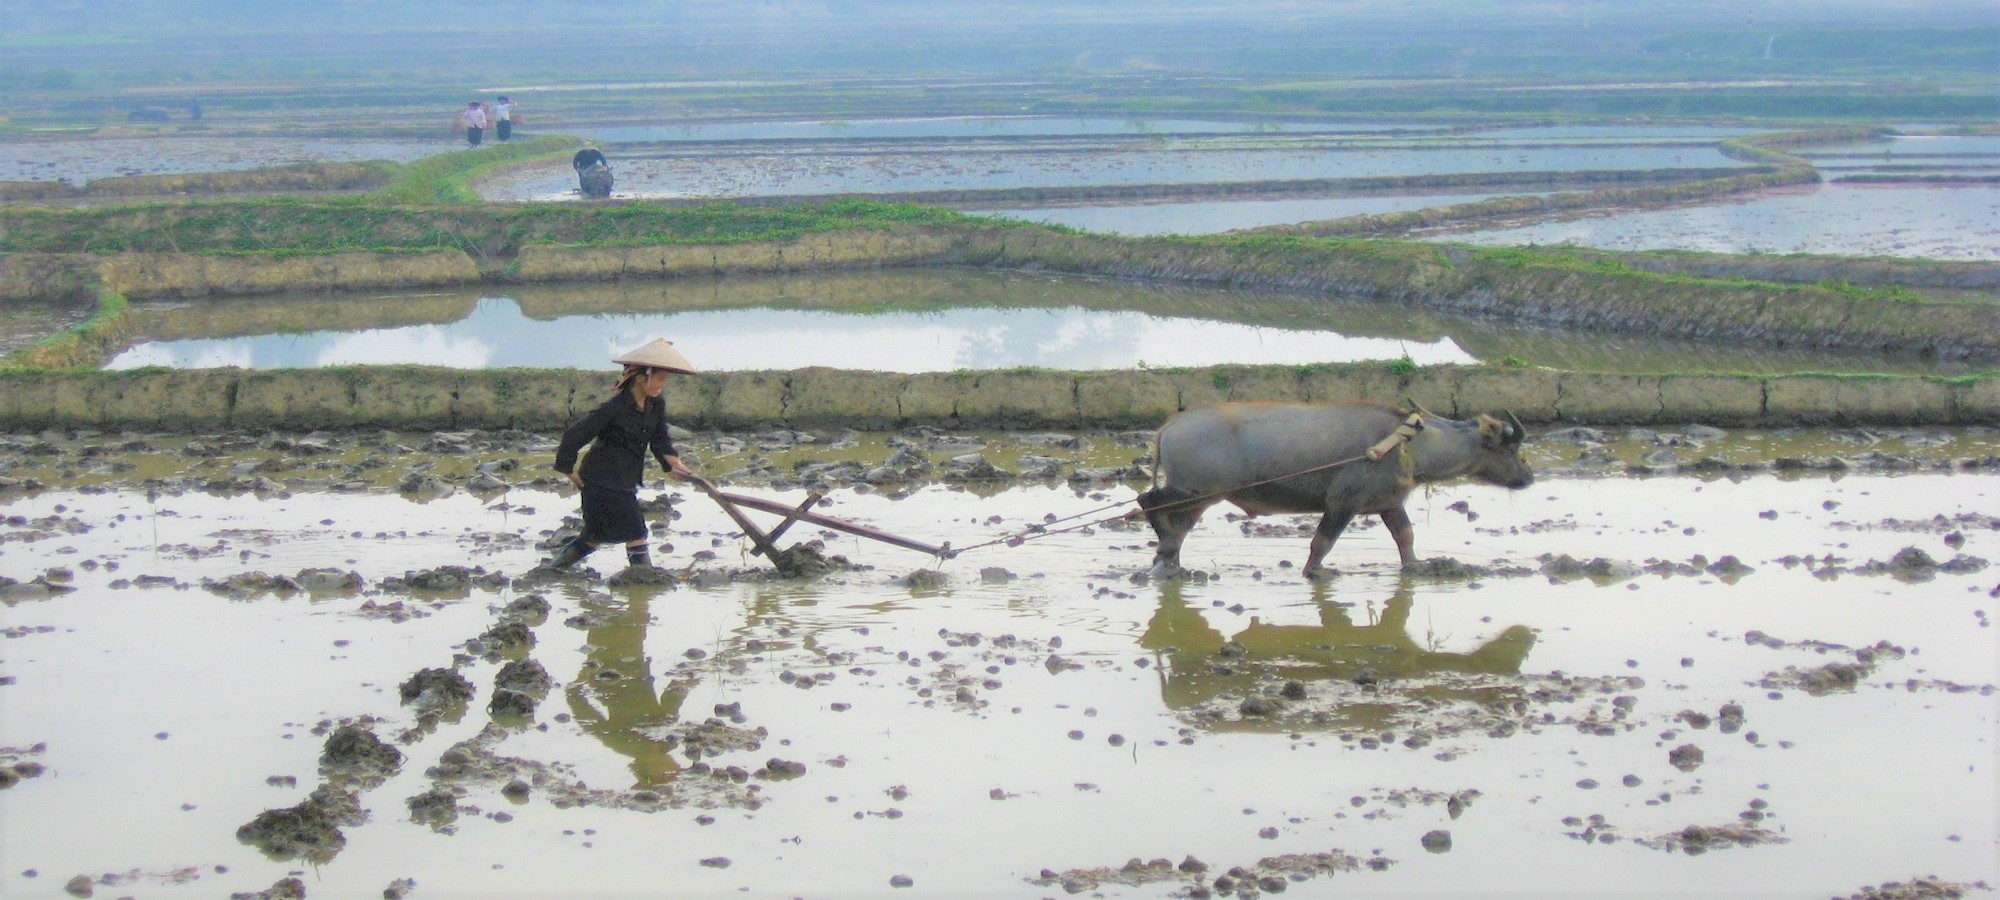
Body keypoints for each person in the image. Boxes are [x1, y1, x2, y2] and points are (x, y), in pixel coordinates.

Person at [546, 339, 699, 571]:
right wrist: (568, 470)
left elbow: (660, 439)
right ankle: (644, 583)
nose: (663, 385)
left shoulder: (655, 405)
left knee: (594, 536)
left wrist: (674, 464)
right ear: (641, 378)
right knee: (636, 532)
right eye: (660, 379)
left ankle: (553, 571)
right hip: (601, 479)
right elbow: (574, 436)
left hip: (625, 479)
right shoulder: (613, 408)